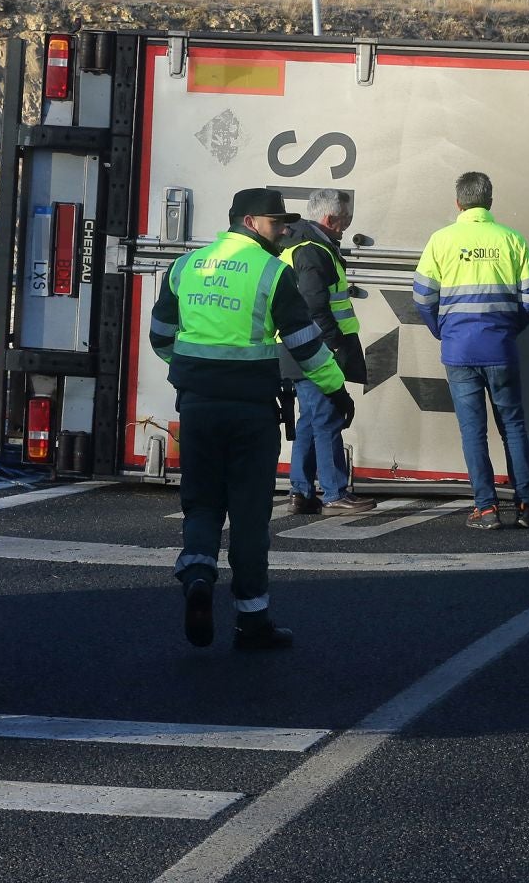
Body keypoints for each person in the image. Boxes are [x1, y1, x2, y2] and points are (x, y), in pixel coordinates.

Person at [150, 188, 353, 650]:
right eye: (275, 223)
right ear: (249, 222)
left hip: (197, 404)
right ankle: (251, 620)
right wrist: (335, 388)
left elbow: (160, 335)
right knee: (248, 515)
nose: (283, 231)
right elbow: (305, 344)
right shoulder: (272, 273)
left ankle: (199, 574)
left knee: (201, 503)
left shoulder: (186, 266)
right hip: (252, 412)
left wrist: (190, 370)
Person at [413, 171, 529, 529]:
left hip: (459, 352)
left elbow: (423, 296)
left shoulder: (441, 240)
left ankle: (486, 509)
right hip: (501, 348)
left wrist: (442, 330)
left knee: (473, 432)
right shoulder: (512, 240)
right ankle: (527, 506)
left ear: (458, 202)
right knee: (513, 426)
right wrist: (509, 328)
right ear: (490, 201)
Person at [279, 188, 376, 515]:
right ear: (331, 218)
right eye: (346, 219)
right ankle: (335, 493)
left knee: (311, 418)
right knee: (327, 417)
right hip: (315, 349)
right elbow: (315, 307)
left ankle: (300, 491)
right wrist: (333, 344)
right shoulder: (312, 251)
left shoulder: (303, 245)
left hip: (301, 348)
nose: (348, 226)